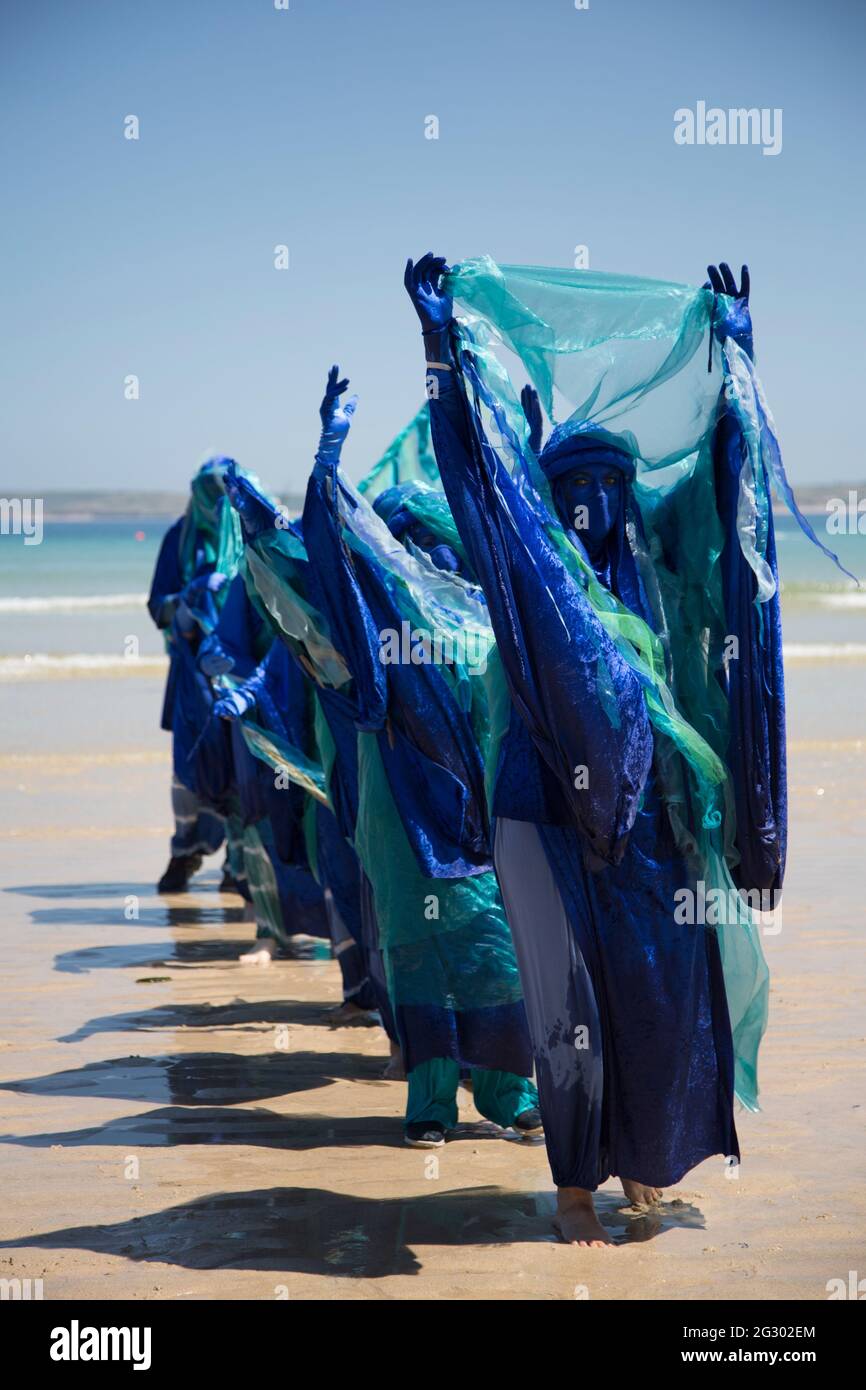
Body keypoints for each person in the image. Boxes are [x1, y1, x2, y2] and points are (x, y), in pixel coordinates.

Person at [403, 252, 801, 1243]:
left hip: (649, 818)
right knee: (566, 1004)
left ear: (626, 495)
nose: (588, 506)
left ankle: (641, 1163)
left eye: (604, 487)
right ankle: (574, 1181)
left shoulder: (658, 563)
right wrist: (440, 353)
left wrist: (733, 355)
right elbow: (485, 482)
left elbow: (727, 492)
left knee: (661, 990)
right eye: (567, 488)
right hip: (538, 813)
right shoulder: (531, 575)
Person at [147, 458, 242, 894]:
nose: (219, 500)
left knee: (242, 765)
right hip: (189, 676)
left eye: (226, 490)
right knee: (189, 766)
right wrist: (186, 601)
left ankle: (238, 866)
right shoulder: (178, 540)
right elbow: (156, 605)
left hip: (239, 674)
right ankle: (186, 851)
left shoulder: (245, 536)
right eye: (211, 491)